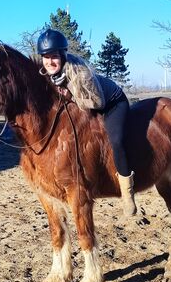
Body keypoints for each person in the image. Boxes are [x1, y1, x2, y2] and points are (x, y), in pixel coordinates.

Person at [37, 28, 137, 217]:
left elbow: (97, 102)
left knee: (116, 140)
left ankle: (127, 194)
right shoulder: (46, 73)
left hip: (111, 101)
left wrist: (71, 96)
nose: (50, 62)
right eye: (46, 57)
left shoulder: (80, 73)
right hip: (87, 104)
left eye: (54, 56)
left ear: (63, 55)